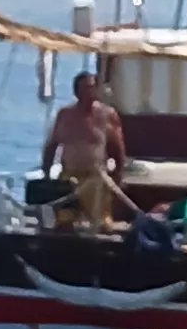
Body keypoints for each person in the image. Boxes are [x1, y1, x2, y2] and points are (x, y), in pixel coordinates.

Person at [41, 71, 126, 229]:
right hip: (69, 176)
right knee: (64, 221)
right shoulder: (65, 115)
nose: (89, 92)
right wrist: (46, 174)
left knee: (101, 224)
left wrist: (118, 177)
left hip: (96, 177)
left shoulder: (107, 115)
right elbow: (52, 145)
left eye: (92, 87)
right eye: (85, 88)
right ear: (76, 91)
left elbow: (118, 150)